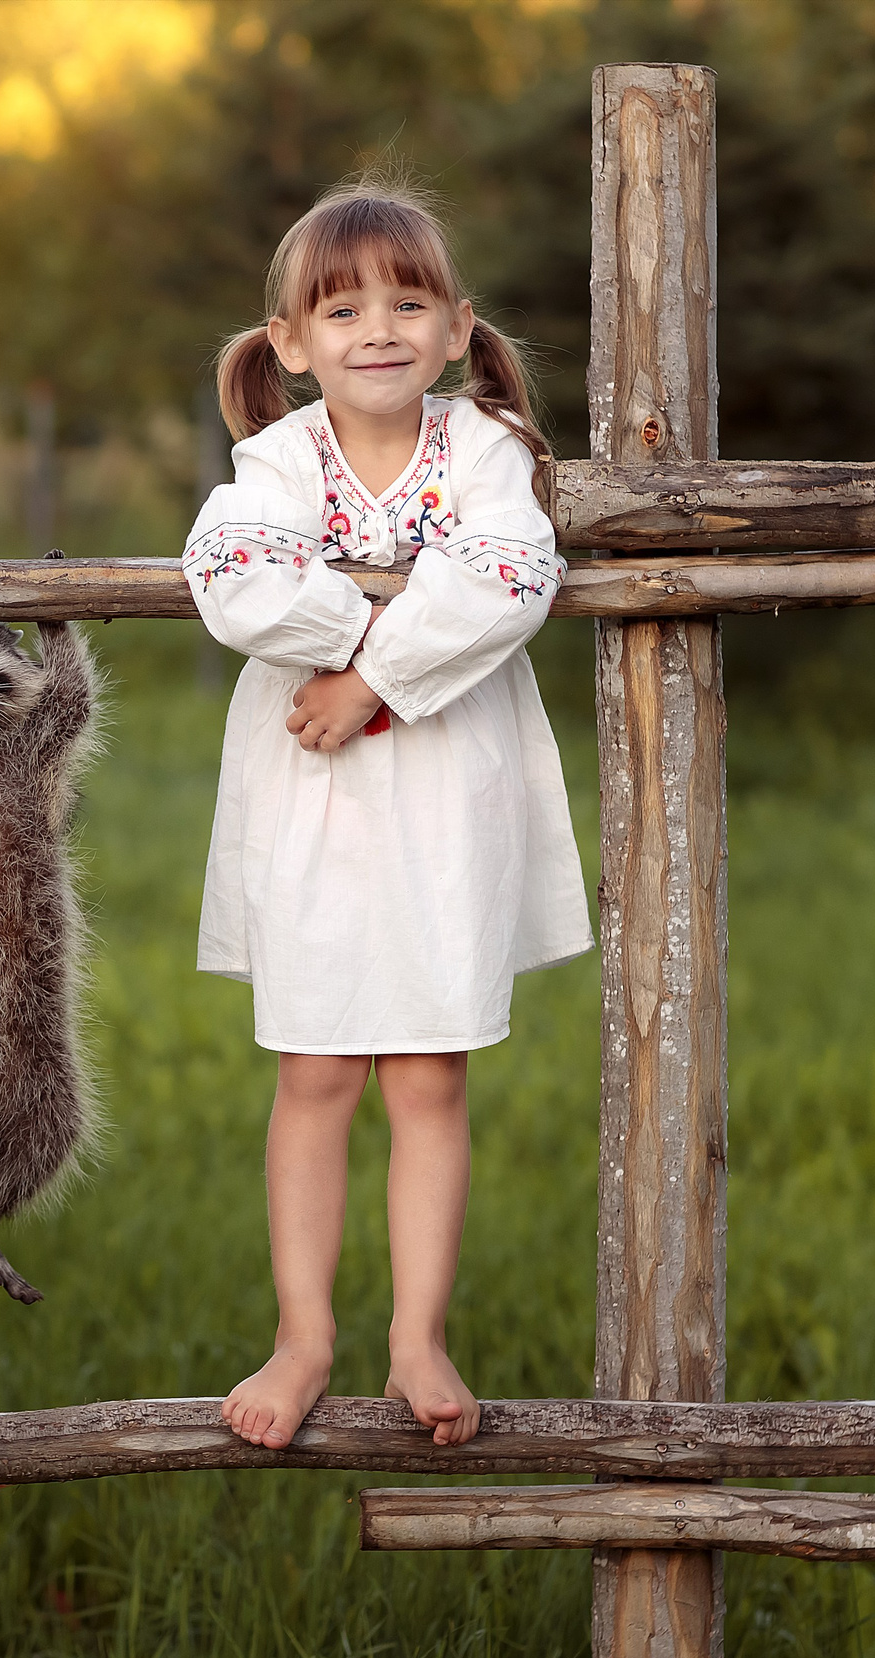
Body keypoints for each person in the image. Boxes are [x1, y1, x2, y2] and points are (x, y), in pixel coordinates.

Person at [186, 175, 592, 1451]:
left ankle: (416, 1334)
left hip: (443, 781)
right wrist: (348, 638)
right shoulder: (276, 460)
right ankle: (303, 1335)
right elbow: (235, 577)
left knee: (426, 1073)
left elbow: (509, 572)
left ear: (457, 329)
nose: (378, 329)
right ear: (291, 344)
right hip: (311, 783)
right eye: (343, 309)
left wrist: (370, 677)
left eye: (409, 304)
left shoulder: (483, 452)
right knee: (314, 1070)